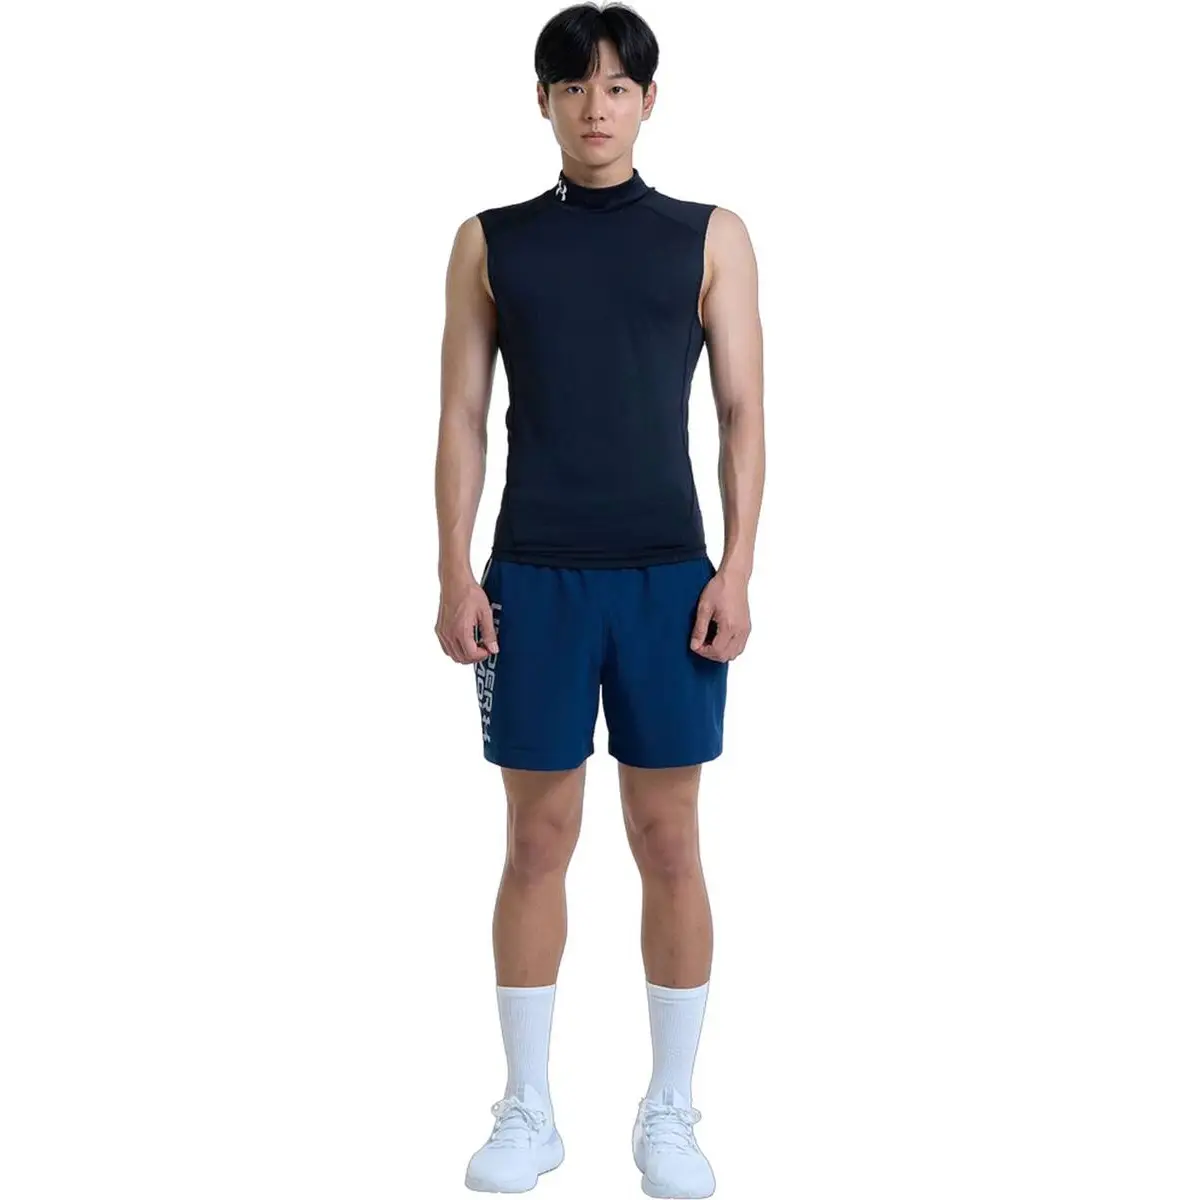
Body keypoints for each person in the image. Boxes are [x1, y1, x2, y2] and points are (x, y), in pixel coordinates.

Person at [434, 3, 764, 1194]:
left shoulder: (710, 236)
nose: (595, 107)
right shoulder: (490, 242)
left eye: (618, 86)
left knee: (670, 839)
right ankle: (528, 1110)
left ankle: (670, 1111)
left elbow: (742, 412)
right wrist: (454, 567)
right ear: (543, 100)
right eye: (573, 86)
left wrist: (737, 567)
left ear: (648, 102)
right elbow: (462, 415)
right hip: (534, 576)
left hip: (669, 577)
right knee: (537, 839)